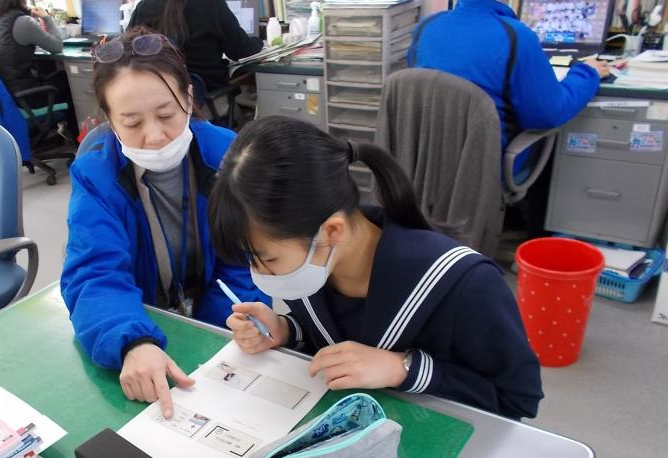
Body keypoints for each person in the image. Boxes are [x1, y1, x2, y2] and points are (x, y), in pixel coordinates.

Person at [207, 116, 544, 420]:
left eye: (268, 260)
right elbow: (330, 341)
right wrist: (286, 330)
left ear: (332, 231)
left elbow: (518, 399)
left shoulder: (466, 284)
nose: (260, 274)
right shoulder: (317, 262)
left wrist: (403, 368)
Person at [61, 27, 269, 417]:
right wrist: (132, 341)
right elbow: (94, 274)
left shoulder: (229, 156)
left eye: (166, 115)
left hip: (217, 326)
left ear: (188, 98)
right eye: (132, 123)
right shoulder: (95, 176)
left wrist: (224, 326)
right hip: (140, 317)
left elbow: (248, 259)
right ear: (109, 120)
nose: (155, 136)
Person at [407, 0, 609, 154]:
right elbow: (548, 115)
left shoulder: (425, 28)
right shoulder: (516, 36)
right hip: (486, 165)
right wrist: (586, 73)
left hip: (425, 159)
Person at [129, 0, 263, 92]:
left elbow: (128, 49)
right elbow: (240, 51)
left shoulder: (144, 6)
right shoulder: (212, 4)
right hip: (208, 98)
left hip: (160, 97)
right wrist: (259, 42)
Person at [0, 0, 74, 130]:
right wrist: (46, 17)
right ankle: (75, 134)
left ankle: (62, 131)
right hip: (27, 98)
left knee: (50, 72)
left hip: (6, 96)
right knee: (67, 80)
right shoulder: (22, 22)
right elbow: (57, 46)